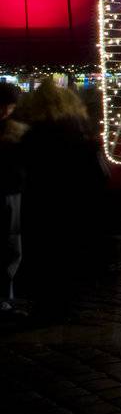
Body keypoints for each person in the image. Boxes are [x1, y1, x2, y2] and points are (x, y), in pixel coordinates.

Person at [16, 80, 105, 318]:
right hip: (76, 205)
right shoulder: (80, 132)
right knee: (69, 253)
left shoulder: (35, 135)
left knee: (45, 255)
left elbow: (23, 166)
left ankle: (47, 305)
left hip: (43, 204)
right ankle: (66, 302)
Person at [0, 82, 27, 310]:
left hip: (11, 190)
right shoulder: (16, 132)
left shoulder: (16, 131)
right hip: (11, 192)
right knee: (11, 245)